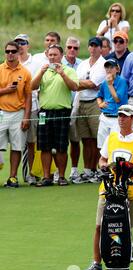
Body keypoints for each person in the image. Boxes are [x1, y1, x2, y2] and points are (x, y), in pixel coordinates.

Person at [83, 104, 133, 270]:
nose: (121, 118)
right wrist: (105, 167)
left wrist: (131, 169)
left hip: (129, 190)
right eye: (120, 115)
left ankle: (124, 260)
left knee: (126, 228)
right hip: (108, 189)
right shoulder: (111, 137)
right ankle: (96, 263)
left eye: (125, 116)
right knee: (99, 226)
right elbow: (102, 159)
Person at [31, 44, 79, 187]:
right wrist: (40, 72)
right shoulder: (43, 70)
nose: (52, 57)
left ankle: (62, 176)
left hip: (62, 112)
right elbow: (32, 86)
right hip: (44, 112)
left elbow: (74, 87)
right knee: (44, 146)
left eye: (55, 55)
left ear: (61, 56)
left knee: (61, 146)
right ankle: (47, 177)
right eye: (50, 55)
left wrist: (62, 74)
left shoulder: (68, 70)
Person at [73, 37, 106, 184]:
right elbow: (78, 83)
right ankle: (88, 170)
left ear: (101, 48)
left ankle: (100, 170)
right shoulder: (83, 64)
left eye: (96, 46)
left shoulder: (103, 64)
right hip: (81, 102)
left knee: (98, 139)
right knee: (86, 139)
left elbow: (94, 83)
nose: (93, 48)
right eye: (91, 46)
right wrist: (80, 84)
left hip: (95, 103)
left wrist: (78, 84)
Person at [0, 41, 32, 188]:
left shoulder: (25, 72)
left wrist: (26, 117)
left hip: (18, 113)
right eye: (8, 51)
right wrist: (6, 90)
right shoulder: (0, 69)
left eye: (13, 51)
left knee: (16, 147)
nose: (10, 54)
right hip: (1, 113)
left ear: (19, 52)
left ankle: (12, 177)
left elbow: (28, 97)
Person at [14, 34, 41, 185]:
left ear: (28, 45)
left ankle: (31, 174)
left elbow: (37, 86)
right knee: (17, 143)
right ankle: (14, 175)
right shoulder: (11, 62)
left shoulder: (35, 62)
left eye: (23, 43)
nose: (20, 45)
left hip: (33, 107)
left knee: (32, 142)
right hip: (14, 108)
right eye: (17, 43)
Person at [62, 37, 83, 182]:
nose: (72, 50)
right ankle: (58, 171)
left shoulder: (82, 64)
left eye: (75, 48)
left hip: (76, 106)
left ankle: (74, 170)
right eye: (69, 47)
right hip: (61, 106)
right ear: (65, 48)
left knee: (75, 140)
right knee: (60, 142)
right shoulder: (58, 63)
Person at [96, 58, 128, 149]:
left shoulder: (122, 81)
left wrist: (110, 84)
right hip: (105, 116)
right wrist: (100, 104)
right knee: (102, 147)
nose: (108, 70)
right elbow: (99, 96)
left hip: (116, 118)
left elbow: (117, 99)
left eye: (111, 67)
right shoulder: (104, 82)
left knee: (115, 146)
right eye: (107, 67)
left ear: (117, 69)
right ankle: (103, 163)